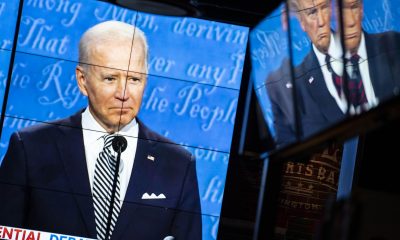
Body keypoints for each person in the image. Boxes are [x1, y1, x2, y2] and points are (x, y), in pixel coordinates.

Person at [0, 20, 202, 240]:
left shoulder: (178, 164)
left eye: (134, 79)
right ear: (82, 80)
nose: (123, 93)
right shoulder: (30, 148)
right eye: (110, 78)